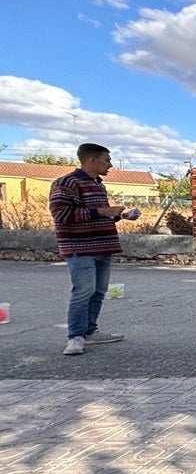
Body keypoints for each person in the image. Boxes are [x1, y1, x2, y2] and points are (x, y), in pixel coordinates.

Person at [49, 143, 142, 355]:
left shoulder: (98, 184)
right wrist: (103, 210)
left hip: (103, 246)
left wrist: (121, 216)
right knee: (83, 291)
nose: (110, 165)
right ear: (91, 160)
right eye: (106, 160)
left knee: (99, 291)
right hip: (80, 248)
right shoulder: (66, 183)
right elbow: (62, 215)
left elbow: (96, 215)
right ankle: (75, 337)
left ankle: (90, 332)